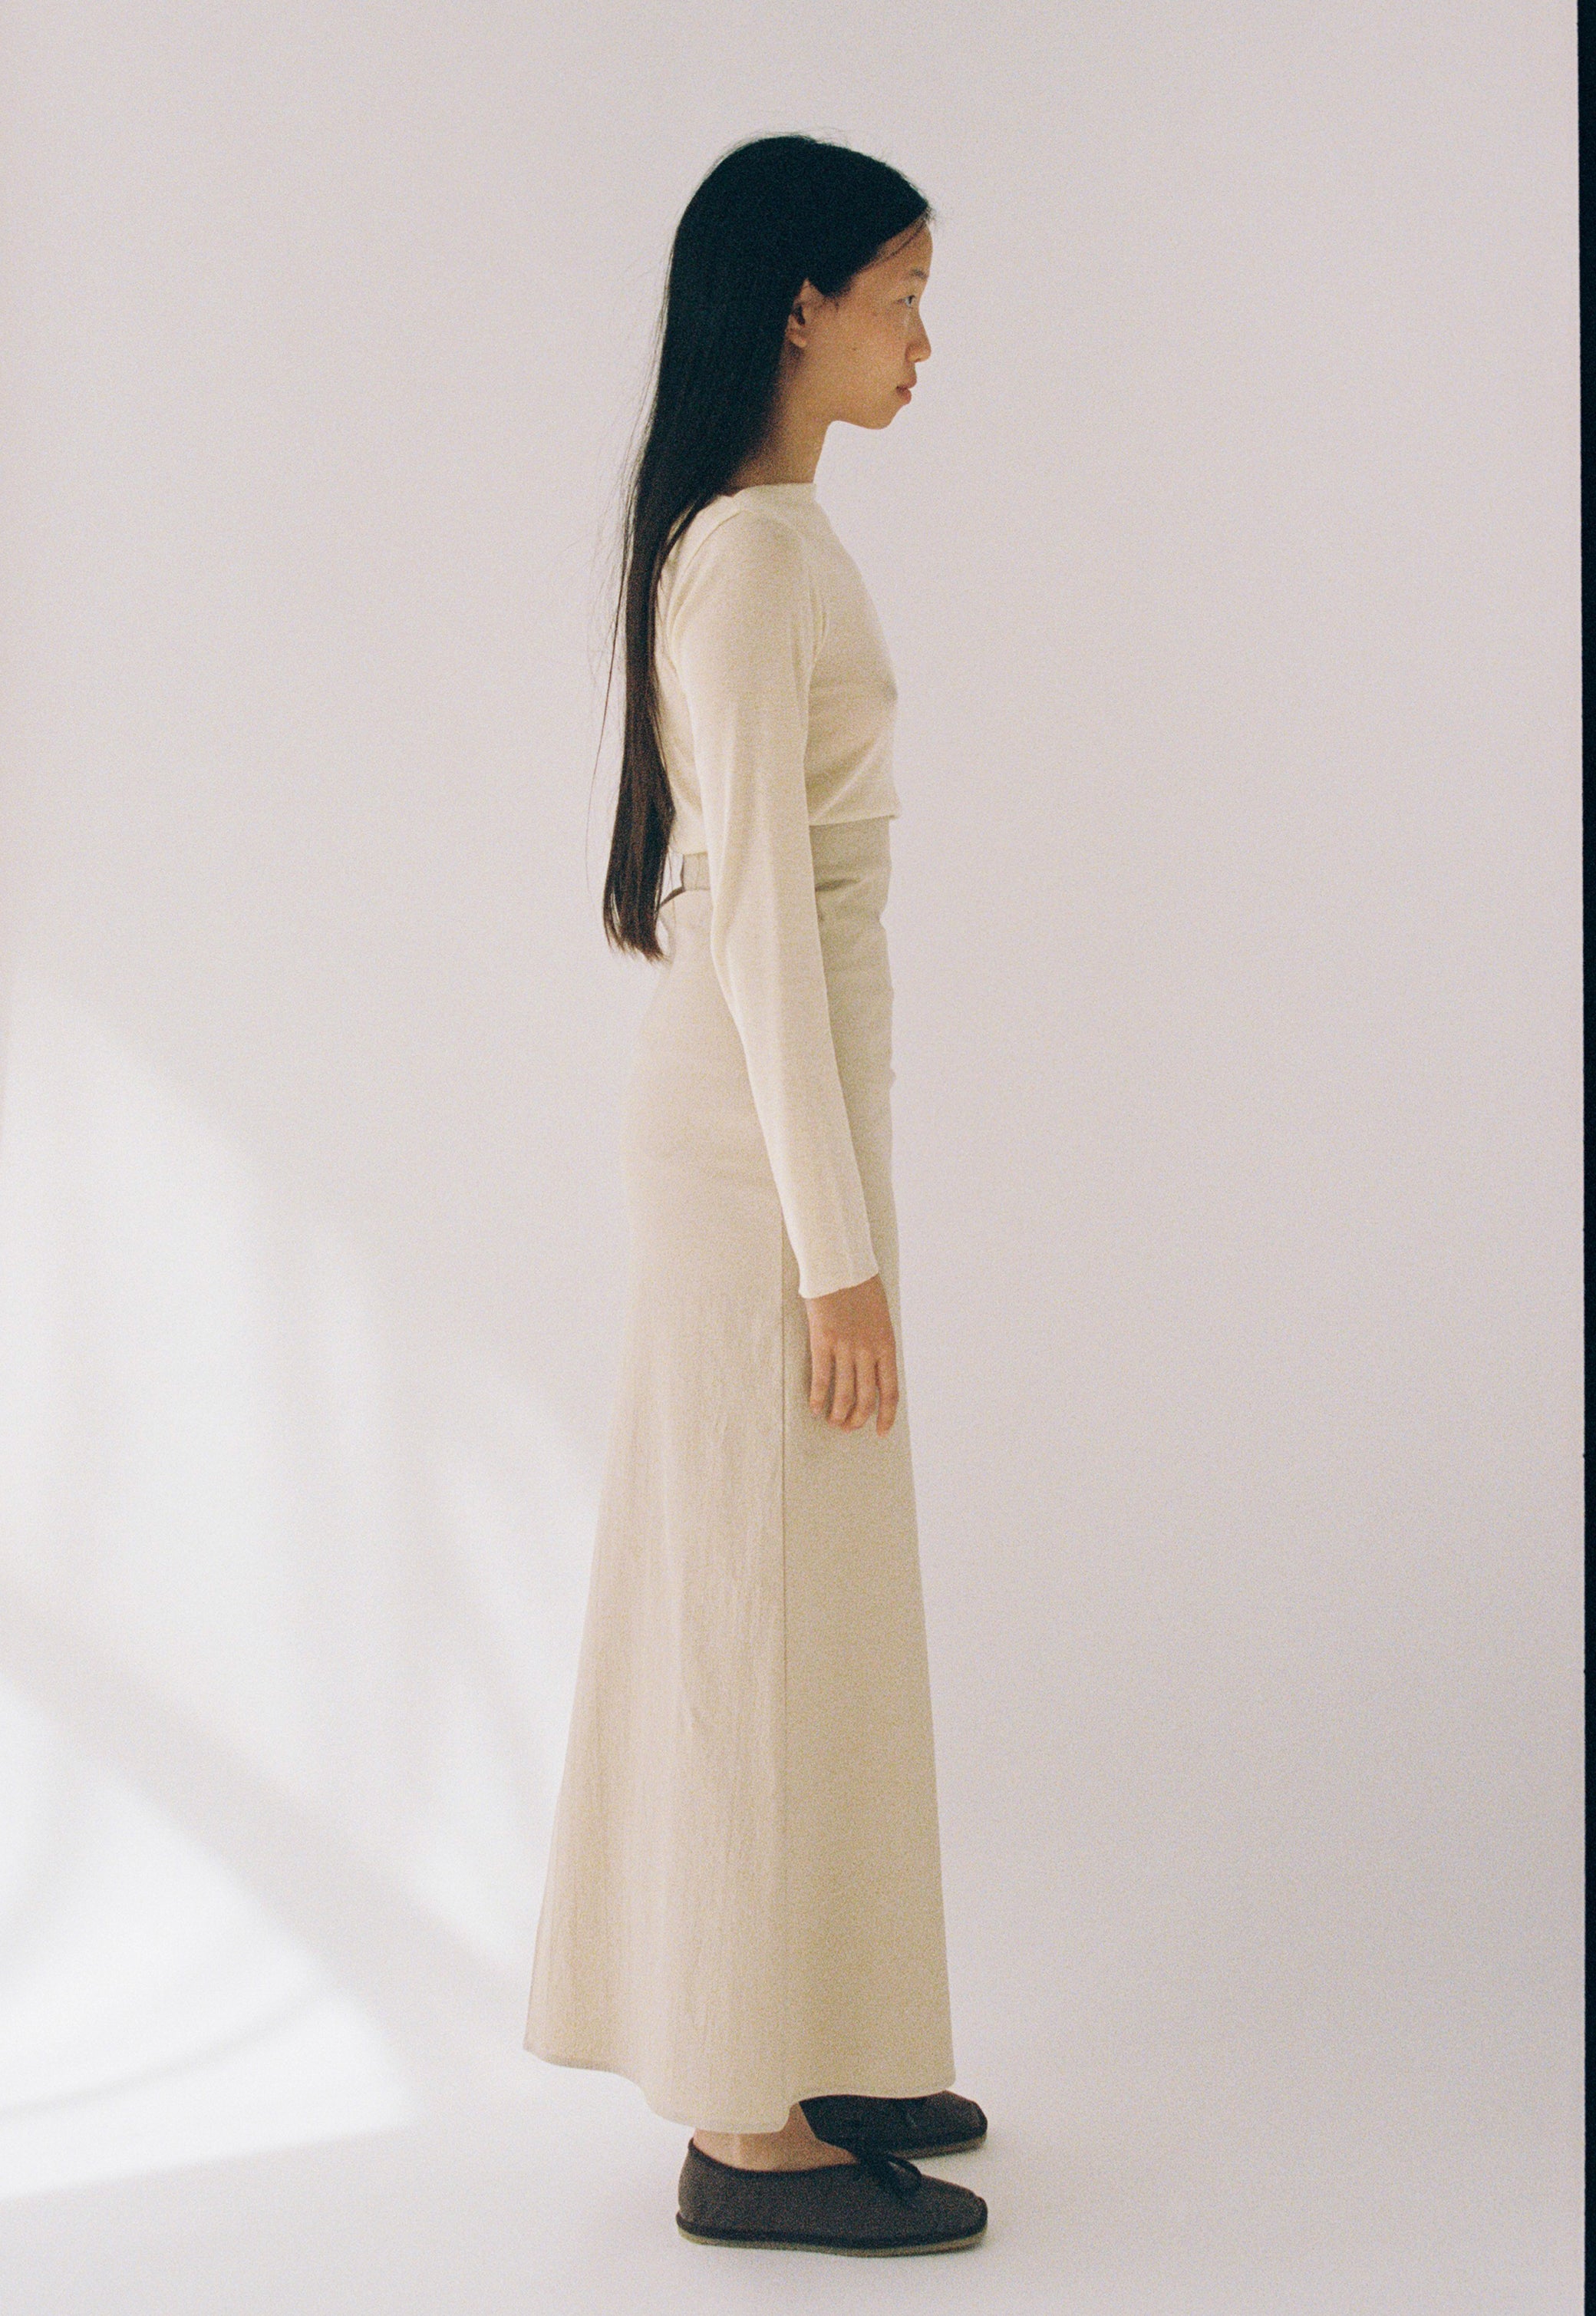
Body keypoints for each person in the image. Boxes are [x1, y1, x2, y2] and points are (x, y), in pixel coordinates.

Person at [524, 132, 988, 2258]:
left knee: (817, 1590)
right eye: (901, 295)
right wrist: (837, 1255)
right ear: (800, 307)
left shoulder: (776, 541)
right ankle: (744, 2121)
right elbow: (765, 943)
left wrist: (850, 1222)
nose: (924, 340)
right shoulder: (744, 561)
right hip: (752, 1157)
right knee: (742, 1600)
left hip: (797, 1139)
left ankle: (824, 2023)